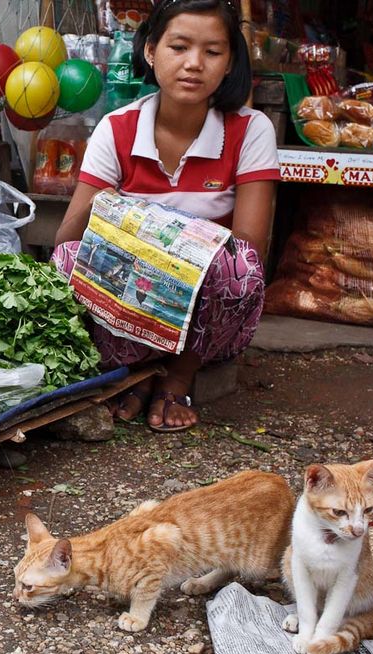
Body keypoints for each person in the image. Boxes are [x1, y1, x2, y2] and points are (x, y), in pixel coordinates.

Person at [52, 0, 280, 432]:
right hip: (130, 292)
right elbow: (68, 237)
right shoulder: (116, 128)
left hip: (203, 310)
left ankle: (178, 374)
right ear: (151, 52)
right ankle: (134, 369)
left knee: (241, 267)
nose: (194, 64)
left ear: (231, 63)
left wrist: (168, 239)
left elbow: (250, 245)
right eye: (179, 47)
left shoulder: (251, 130)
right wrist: (105, 202)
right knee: (67, 259)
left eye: (213, 52)